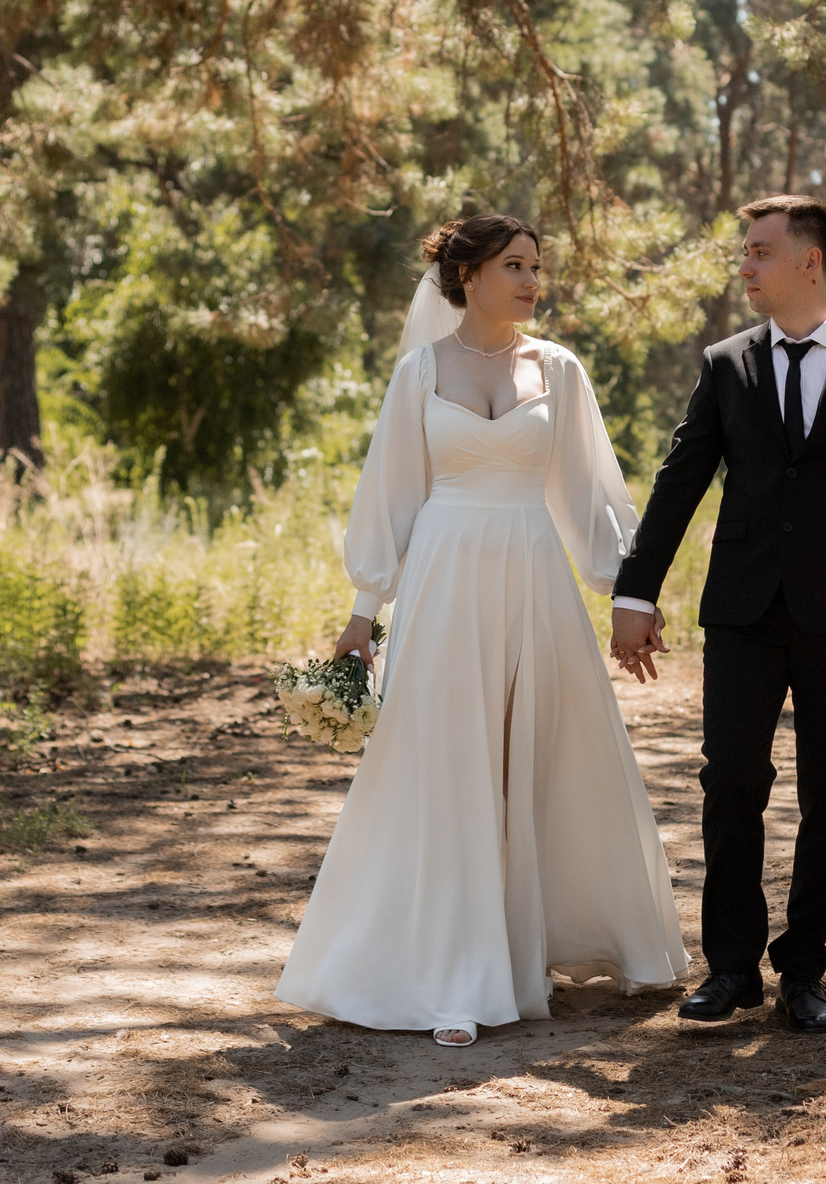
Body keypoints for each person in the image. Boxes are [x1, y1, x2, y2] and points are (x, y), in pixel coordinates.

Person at [275, 213, 689, 1048]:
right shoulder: (419, 373)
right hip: (445, 578)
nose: (534, 281)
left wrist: (627, 596)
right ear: (468, 276)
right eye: (515, 265)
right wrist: (365, 612)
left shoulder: (560, 370)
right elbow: (389, 496)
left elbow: (591, 496)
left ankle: (527, 947)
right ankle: (453, 976)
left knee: (537, 755)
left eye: (538, 265)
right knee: (450, 763)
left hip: (533, 577)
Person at [608, 194, 826, 1034]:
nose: (745, 266)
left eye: (759, 251)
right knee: (731, 785)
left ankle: (803, 968)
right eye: (744, 252)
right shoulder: (727, 364)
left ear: (810, 262)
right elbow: (680, 480)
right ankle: (730, 967)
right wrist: (635, 592)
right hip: (744, 613)